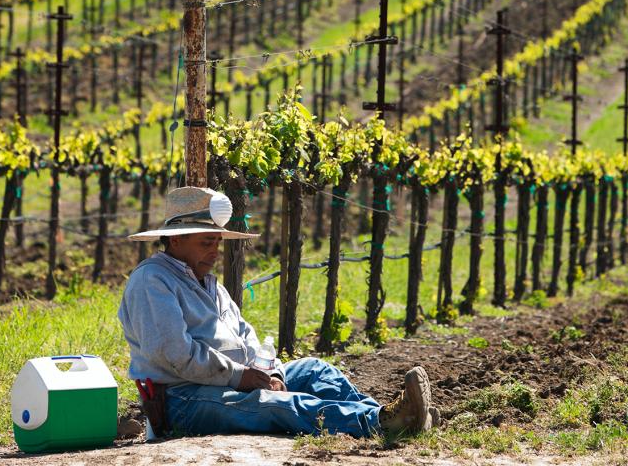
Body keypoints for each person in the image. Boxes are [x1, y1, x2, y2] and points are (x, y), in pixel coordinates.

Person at [118, 186, 437, 438]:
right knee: (272, 405)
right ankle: (380, 421)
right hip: (183, 399)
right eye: (206, 242)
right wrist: (241, 376)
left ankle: (392, 414)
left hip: (232, 382)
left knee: (314, 370)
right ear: (176, 241)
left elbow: (245, 334)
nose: (215, 251)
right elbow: (174, 352)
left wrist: (269, 373)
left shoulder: (209, 283)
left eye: (217, 242)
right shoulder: (153, 280)